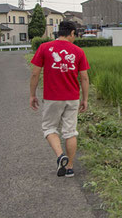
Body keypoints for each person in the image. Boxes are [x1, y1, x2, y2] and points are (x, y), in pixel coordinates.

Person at [29, 21, 90, 177]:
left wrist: (32, 94)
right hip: (73, 98)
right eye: (74, 35)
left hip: (52, 98)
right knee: (70, 132)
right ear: (71, 33)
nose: (74, 38)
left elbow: (35, 74)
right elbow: (84, 78)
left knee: (49, 128)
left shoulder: (44, 48)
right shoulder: (78, 51)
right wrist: (85, 99)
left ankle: (60, 155)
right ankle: (69, 167)